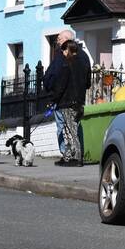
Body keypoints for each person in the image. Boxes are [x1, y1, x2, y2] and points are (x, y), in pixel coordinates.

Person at [51, 40, 88, 166]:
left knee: (70, 131)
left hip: (66, 102)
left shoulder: (67, 65)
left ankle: (76, 158)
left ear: (69, 50)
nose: (63, 53)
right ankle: (70, 157)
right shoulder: (83, 64)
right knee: (74, 129)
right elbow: (87, 83)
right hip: (79, 102)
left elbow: (61, 85)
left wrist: (54, 99)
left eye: (64, 50)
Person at [44, 29, 76, 157]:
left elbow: (56, 78)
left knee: (63, 128)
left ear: (68, 39)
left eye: (60, 39)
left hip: (62, 99)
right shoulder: (65, 56)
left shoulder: (63, 57)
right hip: (71, 98)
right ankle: (72, 152)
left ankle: (67, 153)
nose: (57, 41)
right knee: (70, 127)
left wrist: (53, 95)